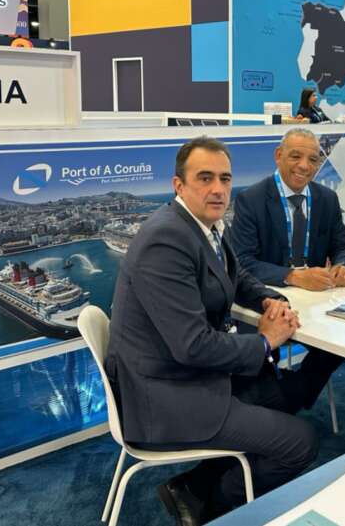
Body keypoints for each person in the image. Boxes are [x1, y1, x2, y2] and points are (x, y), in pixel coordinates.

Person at [105, 136, 317, 525]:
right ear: (178, 185)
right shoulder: (166, 240)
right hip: (164, 397)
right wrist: (266, 340)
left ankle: (192, 486)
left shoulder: (202, 226)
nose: (218, 189)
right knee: (301, 444)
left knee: (276, 395)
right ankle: (210, 503)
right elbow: (192, 346)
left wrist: (269, 300)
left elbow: (236, 278)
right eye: (205, 178)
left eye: (224, 178)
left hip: (181, 376)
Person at [228, 129, 345, 412]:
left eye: (313, 159)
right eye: (295, 156)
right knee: (260, 366)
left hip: (316, 307)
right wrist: (291, 276)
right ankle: (287, 402)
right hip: (267, 305)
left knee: (339, 343)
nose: (304, 166)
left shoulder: (327, 199)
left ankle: (296, 397)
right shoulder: (251, 200)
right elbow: (241, 263)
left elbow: (343, 246)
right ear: (278, 156)